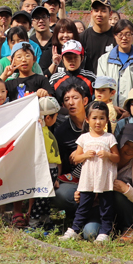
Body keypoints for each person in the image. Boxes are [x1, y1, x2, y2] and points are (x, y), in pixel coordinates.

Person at [61, 101, 119, 242]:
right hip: (87, 179)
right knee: (83, 205)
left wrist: (108, 155)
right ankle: (75, 229)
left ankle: (105, 232)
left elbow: (117, 158)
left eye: (101, 118)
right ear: (87, 119)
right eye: (94, 118)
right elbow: (77, 158)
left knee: (106, 206)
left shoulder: (109, 138)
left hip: (104, 179)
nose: (98, 122)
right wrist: (85, 155)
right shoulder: (83, 138)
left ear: (106, 120)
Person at [54, 81, 92, 222]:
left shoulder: (96, 121)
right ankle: (84, 214)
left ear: (85, 100)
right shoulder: (61, 130)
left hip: (99, 177)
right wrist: (56, 179)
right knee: (60, 195)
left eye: (75, 98)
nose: (71, 103)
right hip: (75, 181)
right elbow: (57, 159)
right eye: (66, 100)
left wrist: (80, 151)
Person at [96, 18, 133, 109]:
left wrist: (129, 110)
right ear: (115, 36)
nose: (124, 38)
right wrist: (113, 108)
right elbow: (101, 88)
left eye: (128, 34)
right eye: (120, 35)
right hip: (109, 111)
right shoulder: (104, 60)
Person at [28, 96, 64, 231]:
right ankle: (33, 222)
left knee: (47, 197)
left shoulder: (46, 131)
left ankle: (44, 219)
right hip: (45, 169)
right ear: (48, 118)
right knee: (41, 198)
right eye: (55, 116)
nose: (56, 119)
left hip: (52, 169)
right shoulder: (39, 132)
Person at [79, 0, 116, 67]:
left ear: (110, 14)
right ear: (92, 13)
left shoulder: (117, 36)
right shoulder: (83, 37)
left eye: (103, 11)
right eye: (96, 10)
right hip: (88, 77)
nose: (99, 14)